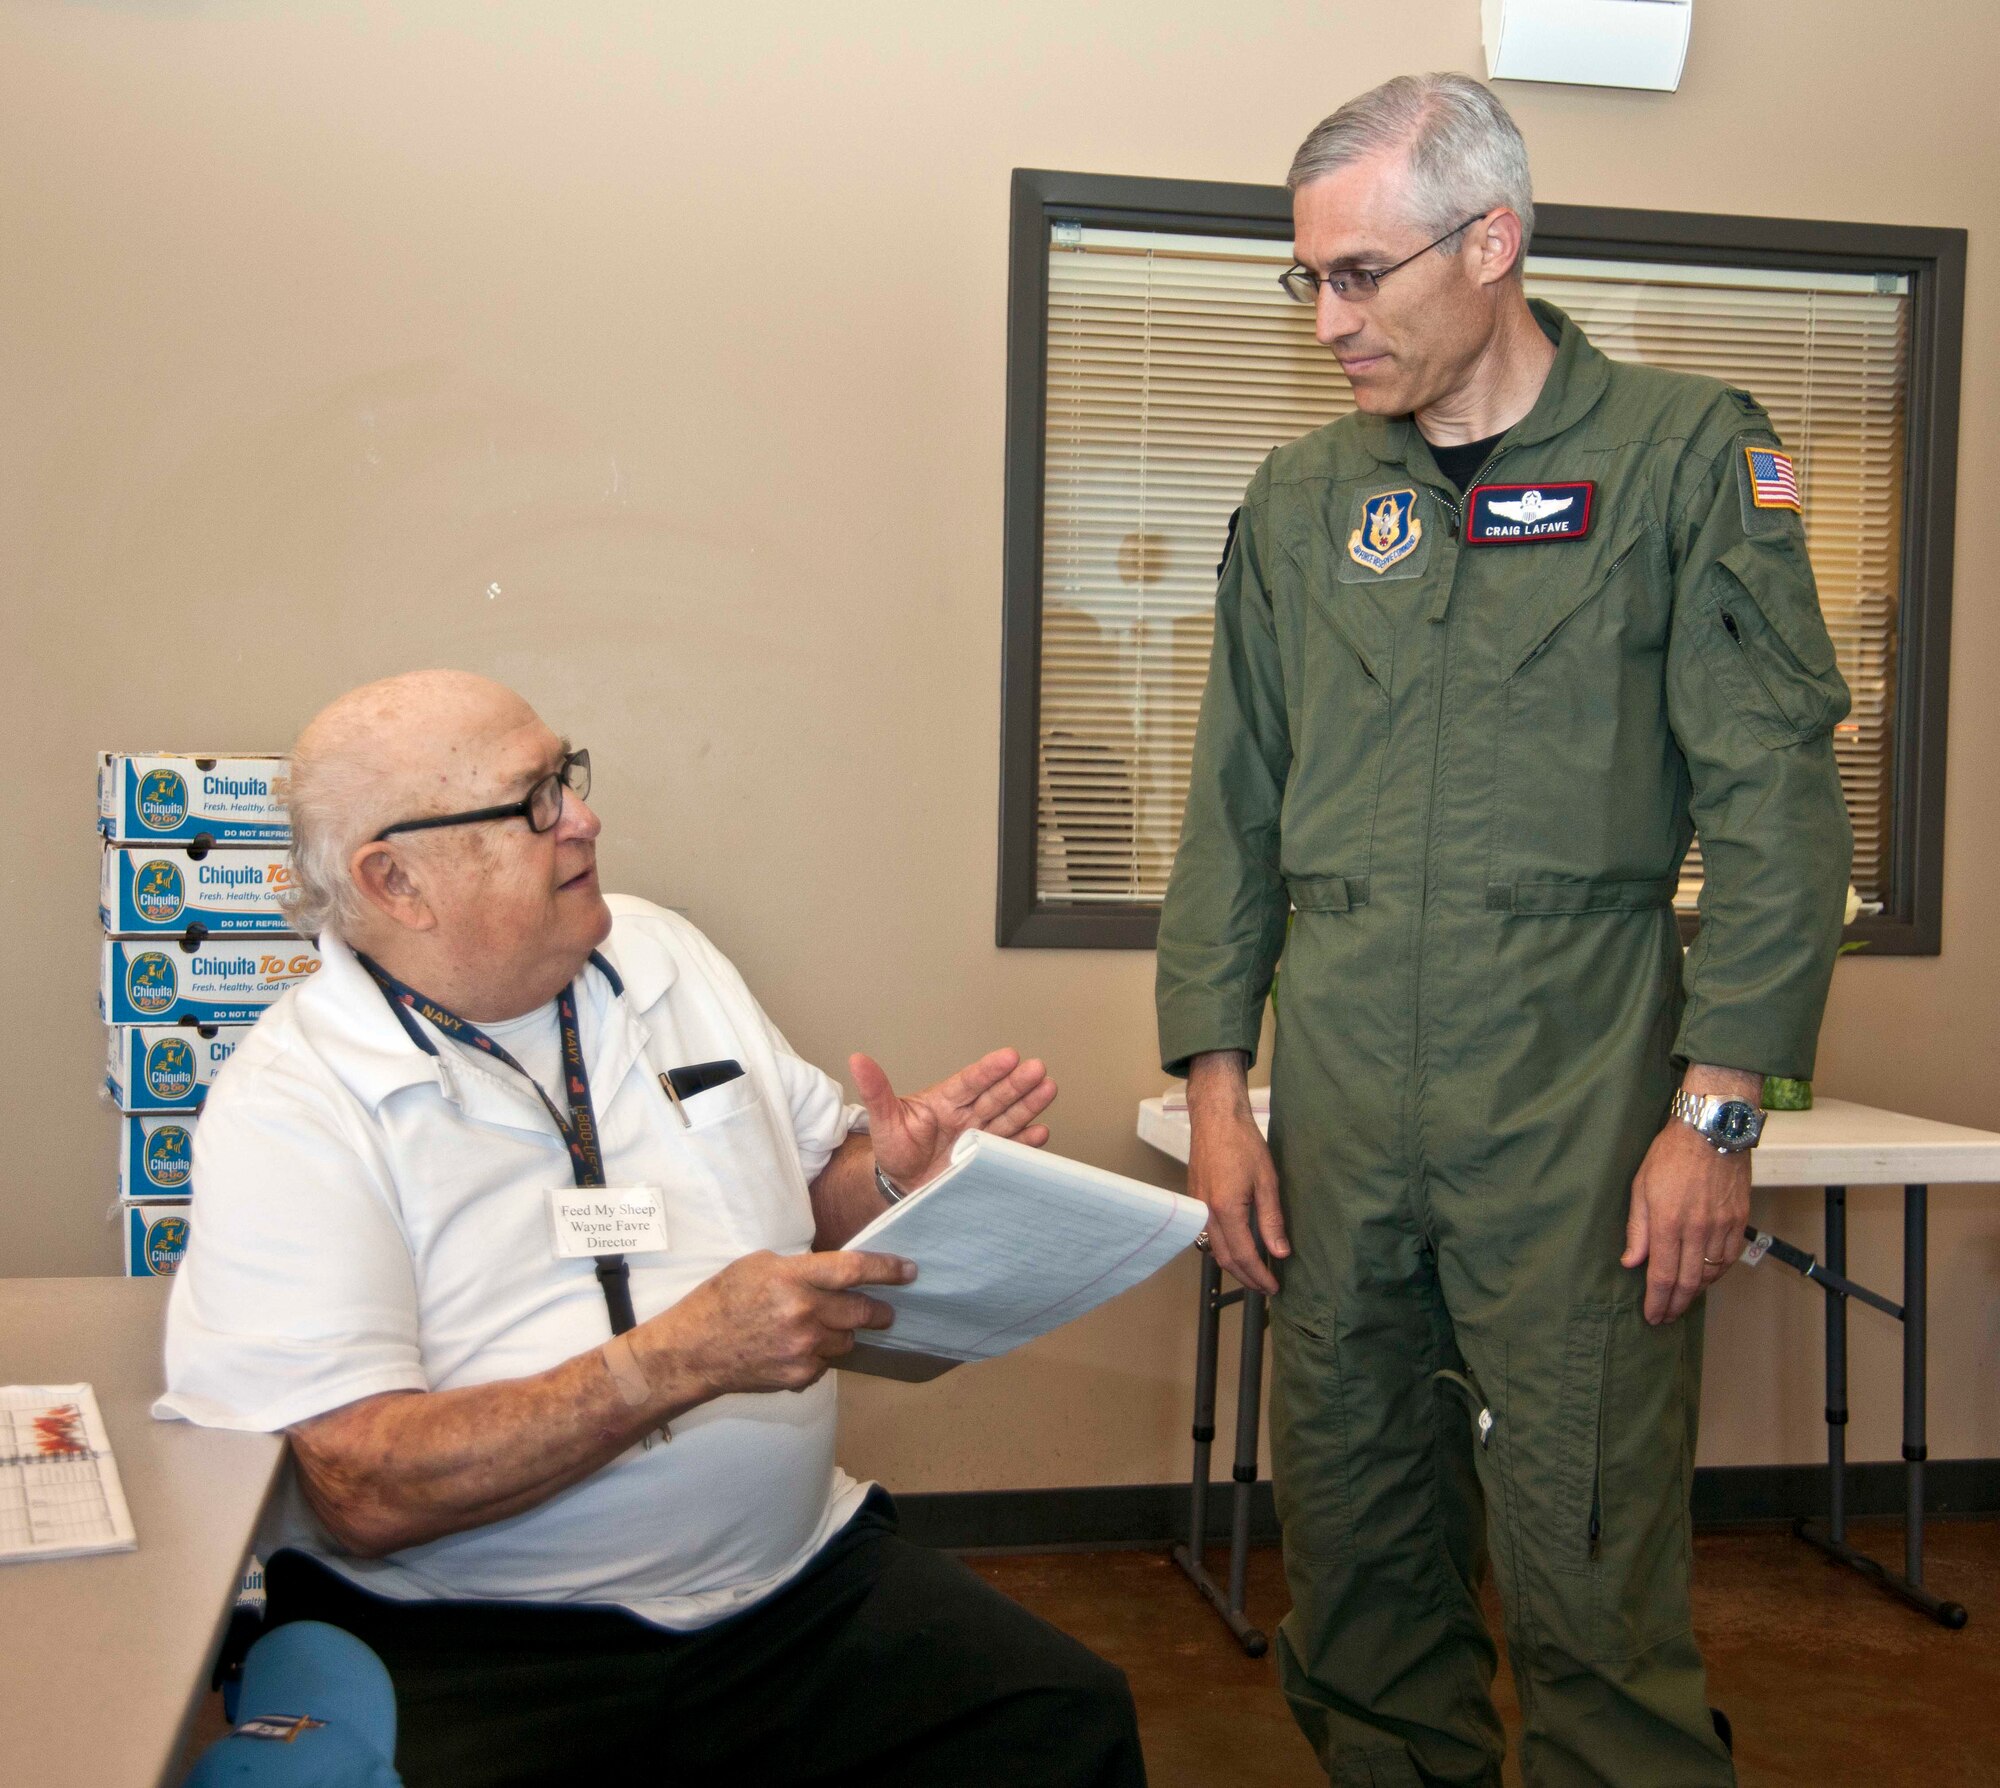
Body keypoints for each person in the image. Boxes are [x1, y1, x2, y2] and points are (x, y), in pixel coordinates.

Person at [1156, 75, 1851, 1788]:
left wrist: (1720, 1115)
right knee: (1360, 1564)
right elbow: (1231, 807)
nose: (1330, 320)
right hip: (1337, 1108)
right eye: (1305, 280)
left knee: (1588, 1568)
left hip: (1577, 1098)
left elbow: (1774, 805)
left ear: (1495, 241)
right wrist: (1218, 1093)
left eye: (1362, 275)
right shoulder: (1307, 500)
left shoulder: (1687, 454)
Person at [160, 670, 1145, 1788]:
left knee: (1060, 1719)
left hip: (789, 1587)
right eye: (529, 800)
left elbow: (815, 1181)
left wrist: (895, 1179)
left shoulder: (664, 955)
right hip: (479, 1640)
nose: (581, 817)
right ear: (398, 881)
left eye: (565, 777)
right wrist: (673, 1361)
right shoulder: (295, 1101)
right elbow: (364, 1488)